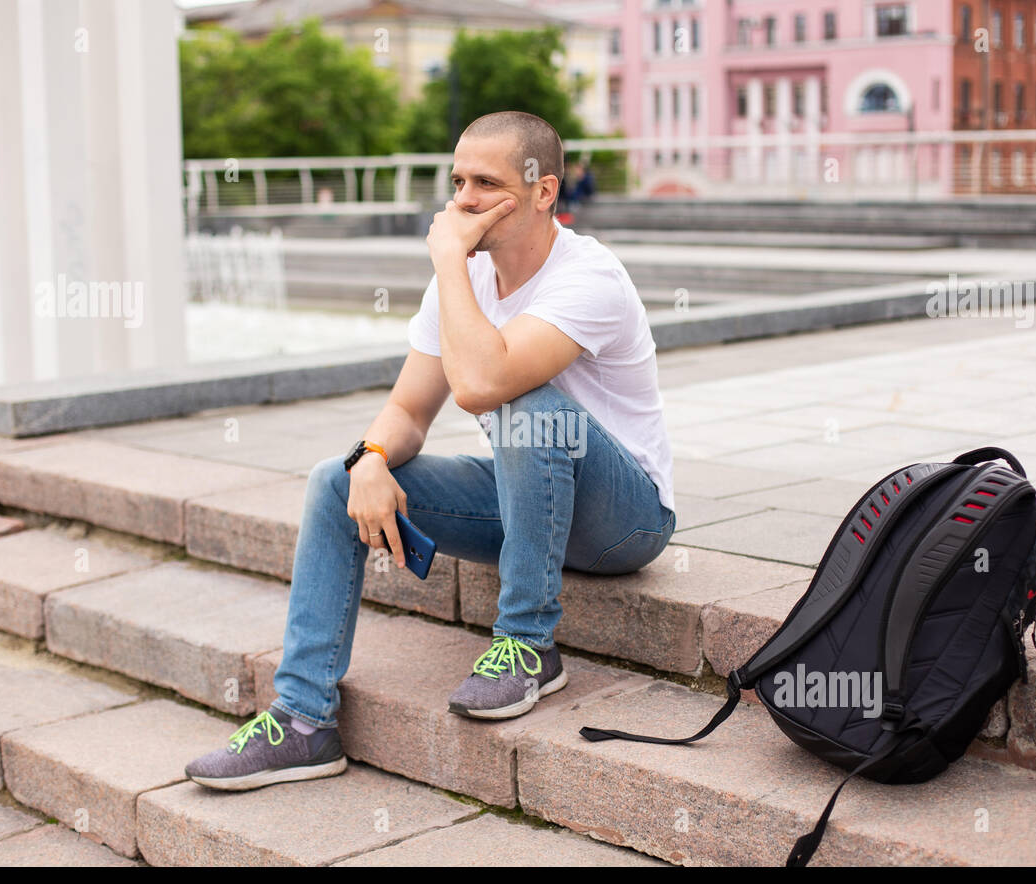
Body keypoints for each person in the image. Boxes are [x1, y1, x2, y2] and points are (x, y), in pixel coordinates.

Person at [184, 111, 676, 791]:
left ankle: (528, 646)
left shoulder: (589, 276)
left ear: (543, 192)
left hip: (624, 523)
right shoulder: (463, 278)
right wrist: (374, 459)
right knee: (339, 477)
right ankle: (303, 722)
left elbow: (482, 384)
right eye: (458, 181)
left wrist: (447, 258)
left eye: (486, 183)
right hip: (526, 503)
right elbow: (410, 409)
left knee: (527, 407)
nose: (463, 201)